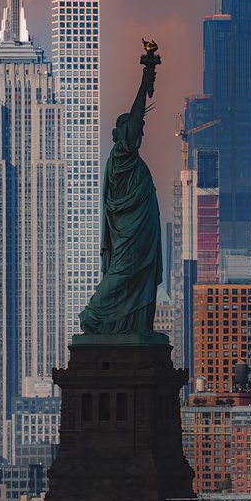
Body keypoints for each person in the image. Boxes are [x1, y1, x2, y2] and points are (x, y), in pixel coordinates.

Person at [79, 41, 162, 335]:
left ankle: (133, 324)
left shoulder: (128, 160)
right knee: (122, 274)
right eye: (135, 129)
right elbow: (137, 113)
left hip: (140, 234)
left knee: (137, 278)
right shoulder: (121, 157)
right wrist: (147, 73)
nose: (140, 132)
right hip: (130, 234)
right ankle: (94, 315)